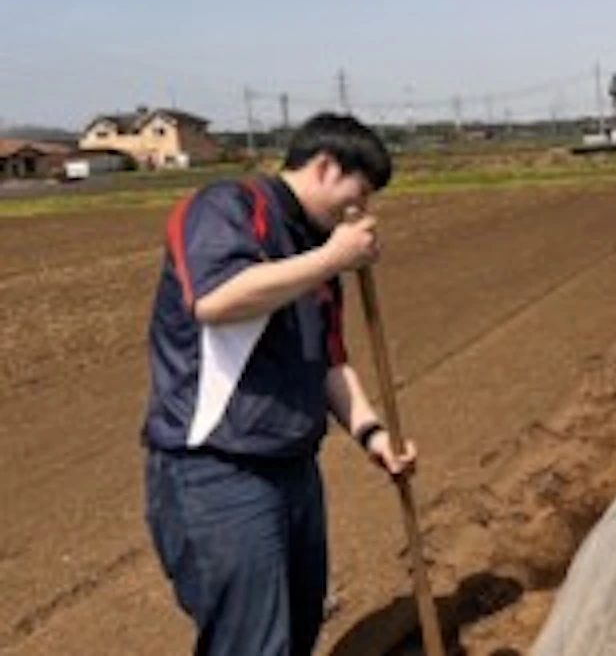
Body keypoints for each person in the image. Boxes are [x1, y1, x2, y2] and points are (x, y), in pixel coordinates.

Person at [141, 113, 418, 655]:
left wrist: (373, 434)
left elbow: (329, 361)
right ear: (325, 167)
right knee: (252, 643)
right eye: (360, 194)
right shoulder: (227, 208)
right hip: (218, 470)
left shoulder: (313, 248)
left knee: (298, 625)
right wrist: (331, 258)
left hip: (292, 467)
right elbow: (215, 300)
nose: (361, 211)